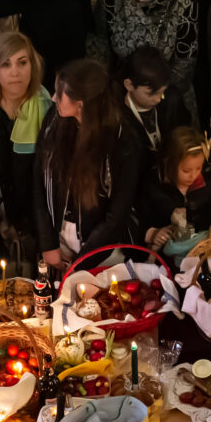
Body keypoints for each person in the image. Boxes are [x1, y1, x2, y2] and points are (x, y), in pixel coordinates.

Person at [32, 58, 143, 271]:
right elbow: (39, 183)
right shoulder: (55, 121)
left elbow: (117, 213)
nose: (53, 98)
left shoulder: (122, 139)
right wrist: (48, 244)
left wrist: (82, 263)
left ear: (80, 103)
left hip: (103, 250)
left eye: (59, 93)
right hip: (59, 241)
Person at [98, 0, 200, 117]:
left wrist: (149, 93)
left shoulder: (183, 4)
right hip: (121, 92)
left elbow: (184, 64)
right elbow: (99, 46)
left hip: (165, 97)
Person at [0, 30, 50, 259]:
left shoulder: (49, 109)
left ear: (32, 66)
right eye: (5, 64)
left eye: (22, 63)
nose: (15, 72)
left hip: (39, 220)